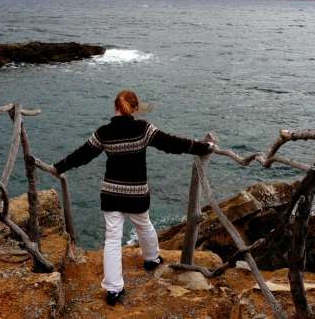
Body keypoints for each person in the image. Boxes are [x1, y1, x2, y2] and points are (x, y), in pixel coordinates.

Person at [49, 89, 214, 306]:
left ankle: (113, 290)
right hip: (137, 193)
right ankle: (152, 259)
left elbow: (83, 154)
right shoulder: (143, 129)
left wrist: (59, 167)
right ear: (134, 108)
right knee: (144, 225)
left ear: (115, 107)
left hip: (111, 193)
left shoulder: (103, 132)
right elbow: (171, 143)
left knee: (112, 238)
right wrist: (204, 147)